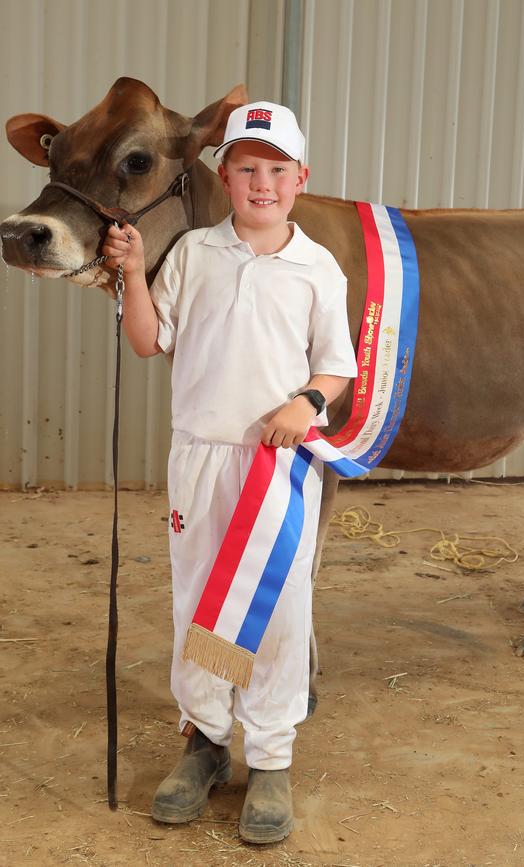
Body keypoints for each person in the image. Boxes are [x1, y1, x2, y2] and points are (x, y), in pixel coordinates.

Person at [102, 101, 357, 844]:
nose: (262, 183)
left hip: (276, 467)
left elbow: (336, 366)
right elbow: (151, 341)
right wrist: (131, 277)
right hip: (200, 457)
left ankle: (270, 754)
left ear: (300, 178)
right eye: (247, 168)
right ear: (225, 173)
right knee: (203, 600)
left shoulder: (317, 267)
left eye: (277, 169)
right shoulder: (192, 254)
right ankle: (208, 737)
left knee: (279, 607)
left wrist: (306, 402)